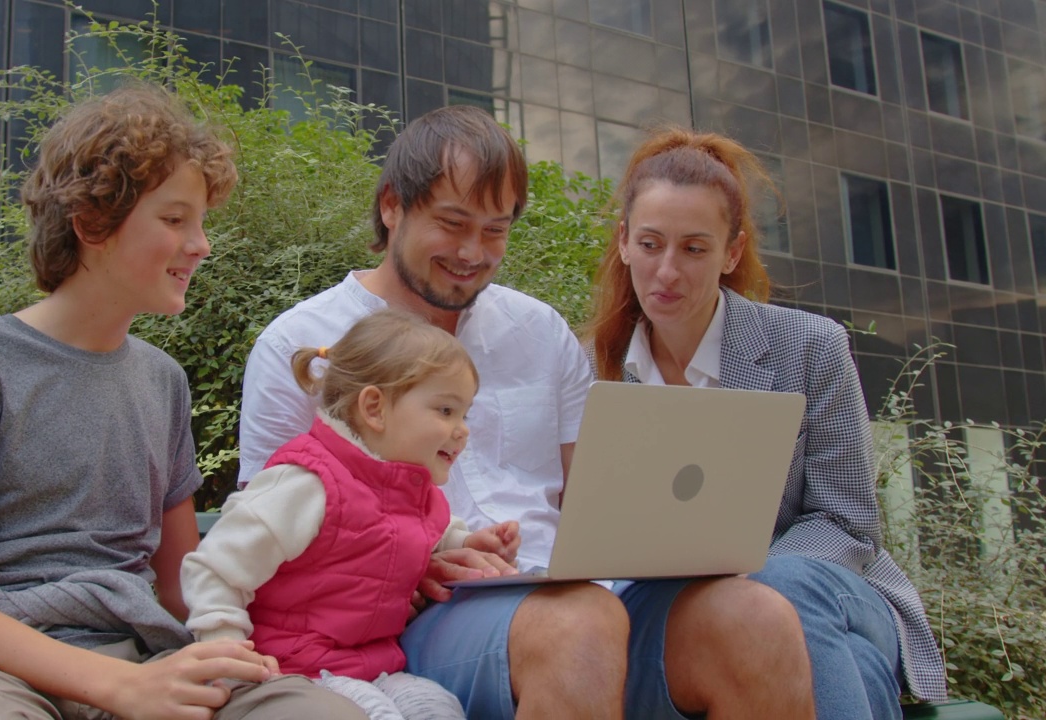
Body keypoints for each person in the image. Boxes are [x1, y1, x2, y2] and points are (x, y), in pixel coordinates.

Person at [238, 103, 816, 719]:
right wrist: (411, 559)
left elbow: (598, 495)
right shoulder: (301, 345)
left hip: (578, 591)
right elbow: (266, 544)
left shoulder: (539, 331)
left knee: (757, 618)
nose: (472, 252)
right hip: (419, 621)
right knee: (580, 626)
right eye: (452, 223)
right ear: (391, 207)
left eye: (495, 230)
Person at [0, 83, 367, 720]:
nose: (201, 244)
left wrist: (250, 644)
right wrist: (120, 689)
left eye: (200, 223)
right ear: (92, 222)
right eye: (175, 220)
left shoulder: (162, 380)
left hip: (141, 653)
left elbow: (177, 587)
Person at [583, 126, 947, 718]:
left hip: (832, 590)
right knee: (849, 666)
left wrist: (755, 580)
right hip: (674, 610)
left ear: (731, 252)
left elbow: (847, 521)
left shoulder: (809, 346)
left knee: (784, 592)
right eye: (651, 244)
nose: (667, 271)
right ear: (624, 242)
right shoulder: (589, 369)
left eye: (694, 249)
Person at [182, 308, 521, 719]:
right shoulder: (306, 483)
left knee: (438, 708)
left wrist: (469, 544)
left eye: (465, 414)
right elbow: (215, 569)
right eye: (446, 411)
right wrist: (227, 655)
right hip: (290, 671)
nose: (462, 429)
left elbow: (430, 531)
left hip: (374, 666)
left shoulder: (413, 490)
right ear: (375, 408)